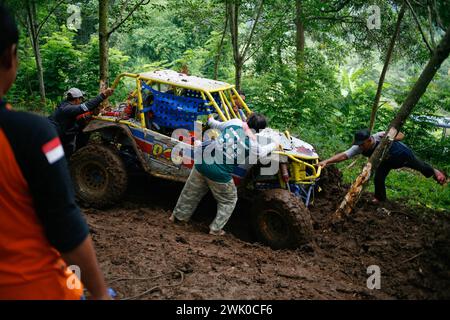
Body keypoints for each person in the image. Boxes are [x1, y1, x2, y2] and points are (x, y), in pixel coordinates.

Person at [0, 4, 111, 300]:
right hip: (30, 287)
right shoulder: (33, 130)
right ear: (10, 57)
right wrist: (100, 293)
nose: (80, 100)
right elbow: (65, 226)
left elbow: (85, 116)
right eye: (79, 97)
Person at [170, 113, 278, 235]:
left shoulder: (235, 122)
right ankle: (215, 229)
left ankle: (178, 217)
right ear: (260, 131)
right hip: (220, 174)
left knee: (190, 192)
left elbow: (214, 124)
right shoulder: (254, 145)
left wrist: (210, 118)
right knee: (229, 200)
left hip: (201, 163)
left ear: (247, 119)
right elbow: (263, 152)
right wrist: (274, 144)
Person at [318, 128, 447, 203]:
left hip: (401, 154)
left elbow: (401, 134)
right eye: (359, 144)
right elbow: (344, 155)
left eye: (362, 144)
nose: (360, 147)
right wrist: (326, 161)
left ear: (369, 140)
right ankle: (381, 199)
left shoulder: (380, 135)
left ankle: (435, 172)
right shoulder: (360, 147)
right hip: (385, 161)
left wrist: (389, 137)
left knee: (421, 167)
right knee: (378, 178)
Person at [48, 86, 114, 158]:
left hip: (60, 135)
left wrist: (91, 113)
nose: (81, 101)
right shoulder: (67, 108)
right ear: (77, 99)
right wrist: (103, 95)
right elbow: (86, 106)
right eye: (81, 99)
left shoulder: (66, 106)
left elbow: (78, 117)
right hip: (53, 137)